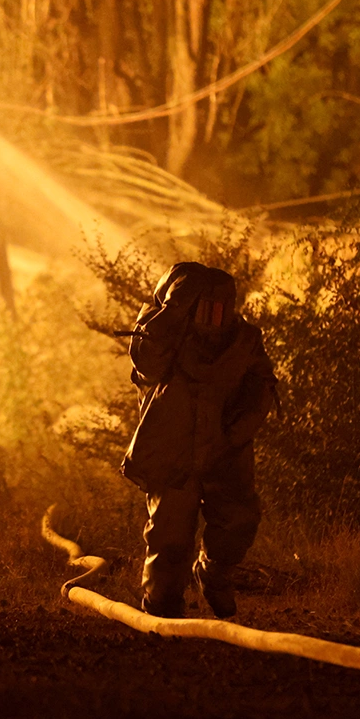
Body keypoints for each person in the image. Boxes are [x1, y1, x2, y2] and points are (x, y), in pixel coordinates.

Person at [121, 262, 277, 619]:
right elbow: (146, 363)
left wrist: (239, 429)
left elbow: (263, 384)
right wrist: (172, 311)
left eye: (219, 309)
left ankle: (213, 574)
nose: (212, 318)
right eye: (202, 307)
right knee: (169, 538)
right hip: (173, 452)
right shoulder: (163, 339)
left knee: (237, 524)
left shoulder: (244, 341)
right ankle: (161, 613)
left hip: (225, 453)